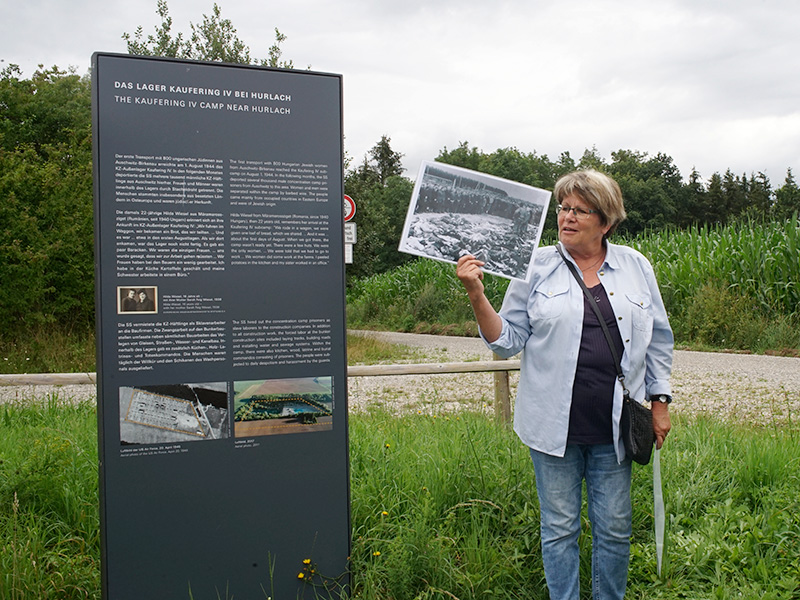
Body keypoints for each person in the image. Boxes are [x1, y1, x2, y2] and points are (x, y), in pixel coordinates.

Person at [456, 170, 673, 600]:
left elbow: (658, 339)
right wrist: (477, 294)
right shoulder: (536, 265)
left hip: (613, 427)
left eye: (580, 210)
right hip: (551, 426)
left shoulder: (635, 266)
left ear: (605, 221)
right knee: (559, 528)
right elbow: (506, 342)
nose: (567, 217)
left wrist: (660, 401)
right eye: (563, 208)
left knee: (614, 527)